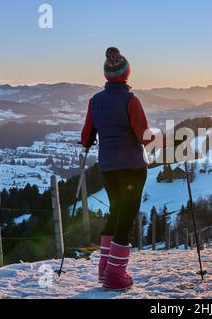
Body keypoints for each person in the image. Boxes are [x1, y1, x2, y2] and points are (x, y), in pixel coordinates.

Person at [81, 47, 157, 290]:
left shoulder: (95, 102)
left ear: (106, 75)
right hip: (133, 167)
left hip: (108, 168)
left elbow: (86, 138)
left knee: (115, 212)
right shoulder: (130, 100)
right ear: (126, 74)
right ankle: (115, 275)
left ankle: (105, 269)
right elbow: (144, 137)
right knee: (126, 216)